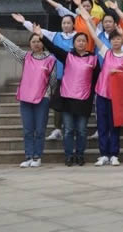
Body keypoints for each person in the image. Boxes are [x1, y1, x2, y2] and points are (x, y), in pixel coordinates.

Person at [0, 22, 57, 168]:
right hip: (25, 98)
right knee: (27, 130)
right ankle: (29, 156)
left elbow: (53, 80)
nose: (36, 44)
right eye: (33, 42)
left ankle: (37, 157)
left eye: (39, 41)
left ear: (43, 43)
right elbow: (13, 48)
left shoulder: (50, 59)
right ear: (30, 44)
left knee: (40, 130)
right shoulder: (26, 57)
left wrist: (50, 95)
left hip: (42, 98)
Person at [74, 3, 123, 167]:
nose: (116, 41)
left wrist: (119, 73)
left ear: (121, 40)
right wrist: (87, 20)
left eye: (118, 39)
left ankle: (114, 154)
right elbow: (95, 37)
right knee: (102, 124)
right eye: (113, 39)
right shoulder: (106, 53)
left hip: (117, 96)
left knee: (115, 125)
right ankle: (103, 154)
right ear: (110, 41)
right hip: (101, 93)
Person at [35, 24, 98, 166]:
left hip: (84, 100)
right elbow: (53, 48)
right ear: (74, 43)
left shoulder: (93, 59)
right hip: (67, 99)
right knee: (68, 130)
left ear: (87, 44)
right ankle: (69, 155)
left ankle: (80, 155)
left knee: (82, 130)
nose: (81, 43)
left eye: (83, 41)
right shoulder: (68, 56)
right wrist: (41, 36)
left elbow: (96, 78)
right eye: (78, 41)